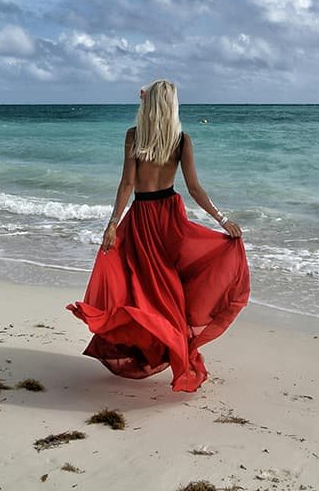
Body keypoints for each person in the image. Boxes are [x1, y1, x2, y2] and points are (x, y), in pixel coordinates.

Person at [66, 79, 250, 392]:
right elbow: (194, 188)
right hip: (170, 219)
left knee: (141, 290)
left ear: (147, 105)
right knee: (171, 292)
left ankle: (154, 350)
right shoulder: (181, 140)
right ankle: (178, 355)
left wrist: (113, 222)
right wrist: (222, 219)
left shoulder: (134, 136)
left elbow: (127, 185)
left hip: (141, 218)